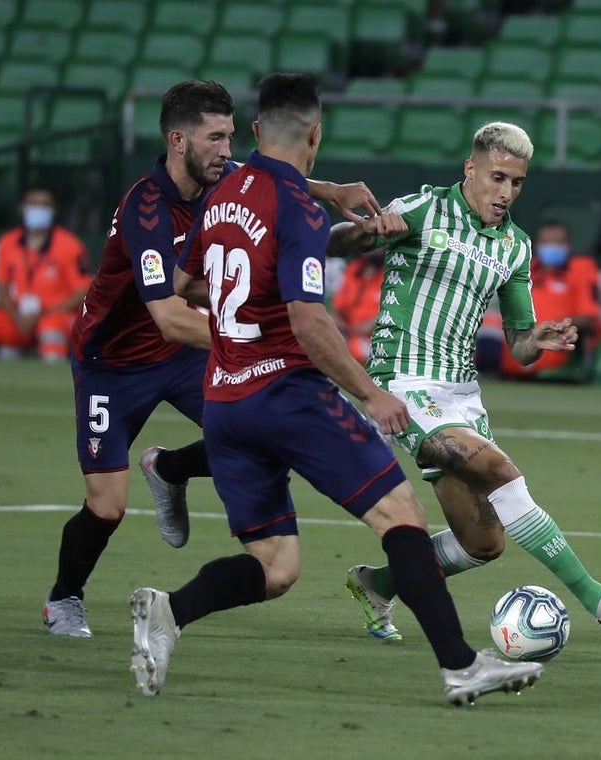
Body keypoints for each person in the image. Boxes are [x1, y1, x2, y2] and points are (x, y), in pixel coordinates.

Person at [133, 73, 543, 705]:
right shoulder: (297, 207)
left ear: (254, 131)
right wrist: (369, 392)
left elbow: (188, 283)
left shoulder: (225, 191)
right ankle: (461, 664)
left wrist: (244, 310)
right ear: (316, 134)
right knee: (400, 515)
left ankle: (171, 611)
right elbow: (308, 319)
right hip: (288, 395)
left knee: (275, 566)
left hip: (224, 400)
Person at [42, 79, 385, 638]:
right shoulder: (144, 209)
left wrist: (331, 191)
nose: (228, 151)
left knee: (262, 424)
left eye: (230, 136)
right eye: (215, 139)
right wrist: (256, 337)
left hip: (178, 356)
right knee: (106, 506)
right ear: (178, 140)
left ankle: (169, 468)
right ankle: (64, 598)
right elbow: (170, 314)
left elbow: (271, 180)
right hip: (113, 363)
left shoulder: (224, 180)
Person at [329, 121, 601, 643]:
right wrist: (366, 231)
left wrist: (539, 339)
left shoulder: (516, 247)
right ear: (471, 169)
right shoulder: (421, 209)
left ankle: (378, 583)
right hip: (404, 385)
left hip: (463, 397)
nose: (506, 193)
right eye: (497, 178)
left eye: (517, 183)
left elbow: (520, 345)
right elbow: (337, 243)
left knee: (482, 544)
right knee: (500, 471)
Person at [0, 187, 91, 361]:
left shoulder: (70, 245)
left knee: (50, 327)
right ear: (22, 208)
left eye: (44, 205)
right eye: (33, 204)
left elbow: (83, 293)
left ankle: (51, 378)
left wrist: (44, 313)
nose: (38, 208)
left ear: (54, 211)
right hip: (19, 317)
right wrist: (17, 317)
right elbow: (2, 289)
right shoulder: (8, 242)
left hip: (56, 315)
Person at [476, 219, 601, 379]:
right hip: (511, 344)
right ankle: (488, 378)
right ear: (536, 246)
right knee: (489, 317)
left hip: (550, 343)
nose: (552, 247)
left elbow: (589, 318)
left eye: (558, 242)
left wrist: (557, 326)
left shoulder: (581, 268)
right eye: (546, 242)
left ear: (568, 245)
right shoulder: (524, 267)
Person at [330, 248, 385, 363]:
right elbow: (338, 309)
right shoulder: (354, 268)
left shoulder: (390, 274)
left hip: (376, 337)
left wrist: (375, 322)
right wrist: (345, 327)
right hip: (348, 334)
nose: (374, 249)